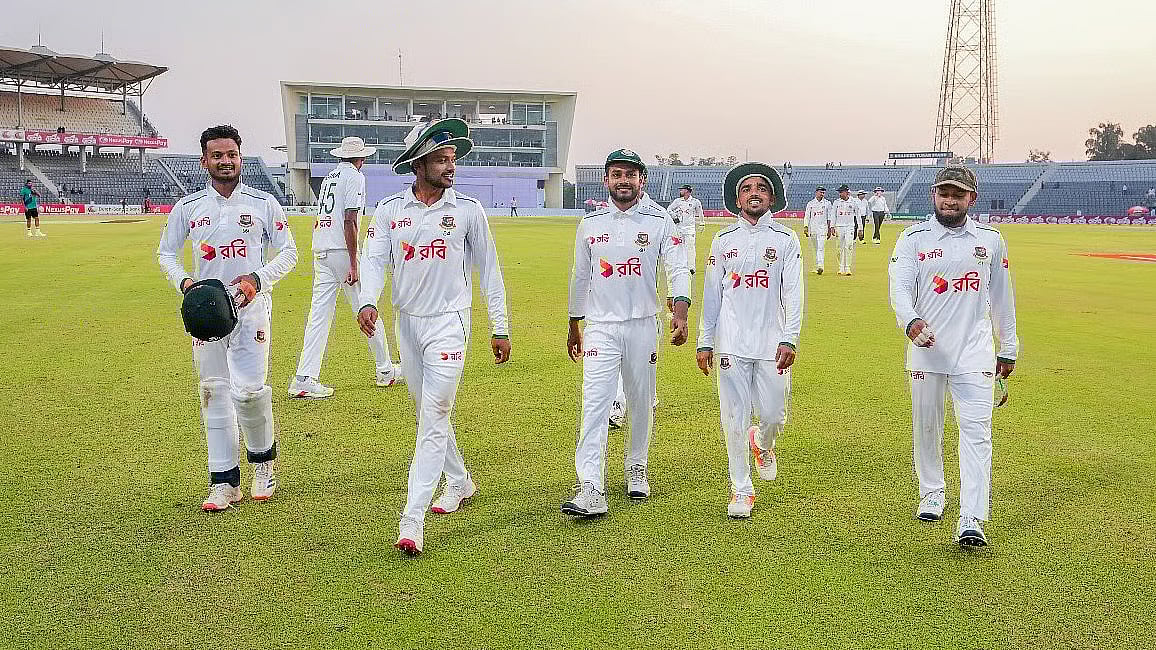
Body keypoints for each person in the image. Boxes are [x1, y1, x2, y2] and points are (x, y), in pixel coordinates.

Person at [358, 118, 510, 555]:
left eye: (453, 159)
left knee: (433, 415)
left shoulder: (467, 211)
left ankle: (412, 518)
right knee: (429, 413)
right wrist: (368, 300)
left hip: (449, 323)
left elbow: (490, 271)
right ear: (418, 163)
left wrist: (500, 326)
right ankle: (460, 481)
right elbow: (372, 261)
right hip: (407, 323)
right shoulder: (389, 211)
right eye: (441, 160)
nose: (450, 167)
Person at [156, 124, 298, 512]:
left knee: (250, 393)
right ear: (204, 161)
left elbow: (289, 253)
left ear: (241, 157)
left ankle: (264, 466)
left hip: (250, 311)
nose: (225, 161)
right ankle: (224, 483)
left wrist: (257, 278)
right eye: (216, 155)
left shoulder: (264, 202)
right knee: (214, 393)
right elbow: (166, 253)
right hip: (206, 315)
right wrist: (185, 282)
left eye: (231, 154)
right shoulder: (188, 208)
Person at [887, 166, 1018, 548]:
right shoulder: (913, 238)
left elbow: (1002, 298)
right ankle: (932, 492)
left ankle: (971, 517)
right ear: (934, 195)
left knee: (977, 432)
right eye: (944, 193)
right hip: (926, 348)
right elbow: (899, 287)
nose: (950, 200)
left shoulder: (990, 241)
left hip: (974, 349)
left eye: (958, 195)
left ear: (971, 199)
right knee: (927, 426)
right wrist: (909, 320)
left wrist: (1007, 346)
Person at [563, 148, 690, 518]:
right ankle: (591, 485)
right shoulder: (590, 223)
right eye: (616, 174)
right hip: (601, 327)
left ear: (642, 181)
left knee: (640, 400)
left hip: (642, 326)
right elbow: (579, 276)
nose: (623, 181)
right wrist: (575, 322)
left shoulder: (659, 220)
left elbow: (679, 266)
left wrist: (680, 311)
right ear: (606, 180)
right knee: (594, 404)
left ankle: (637, 464)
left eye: (630, 175)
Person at [698, 163, 802, 519]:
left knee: (774, 413)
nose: (754, 193)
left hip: (772, 342)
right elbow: (712, 294)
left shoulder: (786, 240)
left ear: (772, 196)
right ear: (737, 198)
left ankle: (763, 442)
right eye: (747, 189)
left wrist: (790, 338)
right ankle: (741, 487)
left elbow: (795, 294)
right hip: (731, 342)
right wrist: (704, 341)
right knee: (734, 417)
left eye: (762, 188)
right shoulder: (723, 240)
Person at [289, 136, 403, 399]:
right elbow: (350, 220)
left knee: (318, 316)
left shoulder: (330, 177)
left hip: (322, 248)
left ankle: (304, 377)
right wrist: (354, 262)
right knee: (366, 306)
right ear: (361, 158)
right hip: (342, 251)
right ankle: (385, 370)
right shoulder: (355, 178)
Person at [803, 186, 833, 274]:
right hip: (813, 229)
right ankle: (816, 266)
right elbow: (807, 216)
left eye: (823, 193)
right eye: (820, 192)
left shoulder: (827, 203)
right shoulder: (811, 203)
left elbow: (829, 217)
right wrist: (806, 227)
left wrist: (829, 229)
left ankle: (820, 266)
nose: (822, 194)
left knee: (821, 247)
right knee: (815, 248)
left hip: (823, 229)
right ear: (816, 192)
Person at [831, 185, 858, 275]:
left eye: (841, 192)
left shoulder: (853, 202)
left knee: (849, 246)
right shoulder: (836, 202)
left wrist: (860, 228)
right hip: (839, 226)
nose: (840, 194)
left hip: (850, 226)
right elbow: (833, 215)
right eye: (839, 192)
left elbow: (858, 215)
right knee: (839, 247)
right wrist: (832, 227)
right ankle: (841, 267)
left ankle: (847, 268)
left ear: (846, 192)